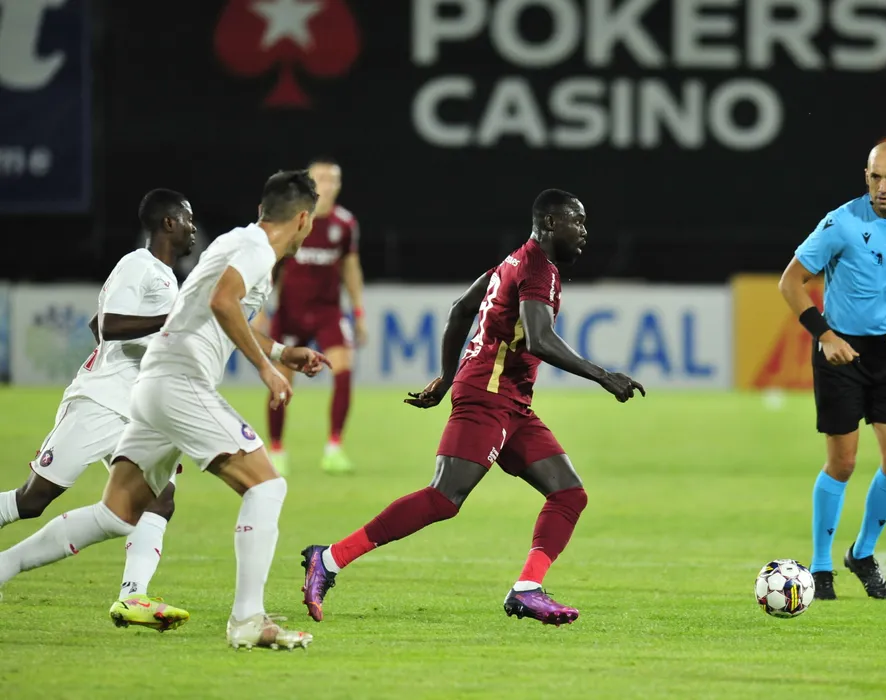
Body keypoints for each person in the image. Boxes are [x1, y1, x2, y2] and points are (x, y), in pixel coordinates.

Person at [0, 170, 330, 651]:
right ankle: (247, 619)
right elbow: (222, 301)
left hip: (152, 383)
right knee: (266, 485)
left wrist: (281, 352)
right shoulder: (256, 249)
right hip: (177, 381)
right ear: (302, 219)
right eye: (311, 222)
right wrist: (267, 368)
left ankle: (5, 566)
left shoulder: (233, 245)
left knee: (118, 514)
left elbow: (214, 310)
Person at [299, 189, 645, 626]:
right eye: (577, 222)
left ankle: (527, 589)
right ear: (551, 223)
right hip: (487, 396)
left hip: (510, 401)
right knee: (444, 497)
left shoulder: (515, 261)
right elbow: (539, 339)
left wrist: (447, 377)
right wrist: (603, 375)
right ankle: (329, 559)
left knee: (568, 493)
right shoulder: (538, 268)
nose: (584, 232)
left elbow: (461, 310)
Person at [0, 189, 196, 631]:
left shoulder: (166, 277)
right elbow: (109, 325)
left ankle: (133, 596)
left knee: (160, 500)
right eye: (188, 219)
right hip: (101, 403)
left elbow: (97, 323)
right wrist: (171, 323)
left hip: (138, 411)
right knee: (31, 500)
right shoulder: (138, 264)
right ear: (168, 223)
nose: (193, 228)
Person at [778, 141, 886, 601]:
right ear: (866, 177)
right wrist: (825, 336)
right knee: (843, 463)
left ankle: (862, 554)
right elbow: (790, 282)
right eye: (875, 177)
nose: (882, 186)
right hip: (840, 351)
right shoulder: (841, 223)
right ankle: (820, 566)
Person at [261, 157, 366, 476]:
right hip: (290, 312)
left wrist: (358, 311)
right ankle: (276, 451)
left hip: (328, 311)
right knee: (280, 381)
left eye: (333, 179)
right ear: (309, 182)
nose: (327, 185)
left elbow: (350, 267)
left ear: (339, 185)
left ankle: (334, 448)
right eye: (321, 178)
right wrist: (261, 307)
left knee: (344, 369)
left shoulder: (344, 224)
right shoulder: (293, 218)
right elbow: (271, 263)